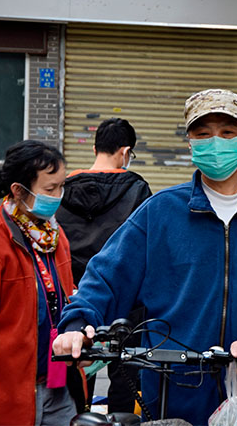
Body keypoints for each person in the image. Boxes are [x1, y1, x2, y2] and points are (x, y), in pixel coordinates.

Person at [53, 89, 237, 425]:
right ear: (190, 142)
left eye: (227, 133)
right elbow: (106, 277)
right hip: (174, 393)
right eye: (203, 134)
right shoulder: (161, 212)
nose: (216, 142)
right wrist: (77, 325)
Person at [0, 140, 84, 426]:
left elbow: (68, 301)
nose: (58, 196)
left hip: (59, 387)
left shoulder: (55, 238)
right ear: (19, 191)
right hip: (9, 394)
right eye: (50, 189)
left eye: (61, 186)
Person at [56, 117, 151, 412]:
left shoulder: (62, 188)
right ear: (125, 152)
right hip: (126, 300)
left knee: (77, 362)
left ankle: (79, 416)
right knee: (125, 370)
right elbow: (145, 249)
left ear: (96, 147)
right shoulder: (137, 189)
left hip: (76, 296)